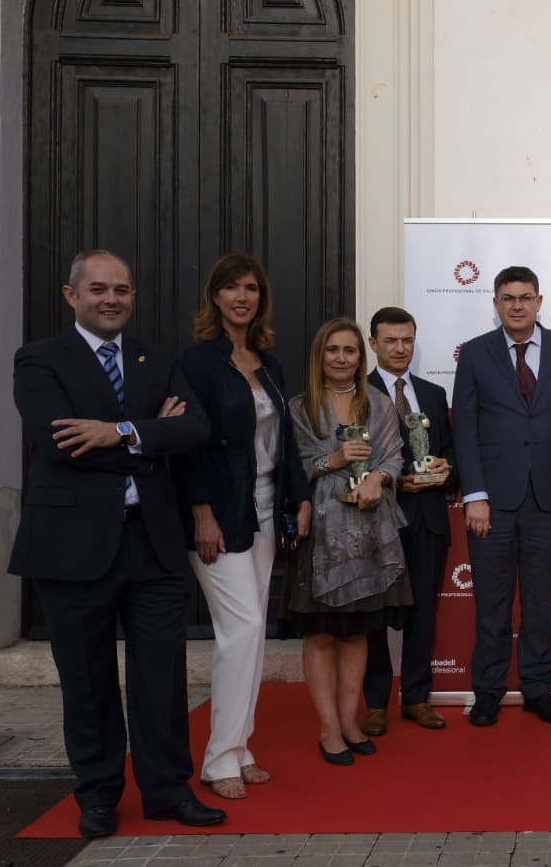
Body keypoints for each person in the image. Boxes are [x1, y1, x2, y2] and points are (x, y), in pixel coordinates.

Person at [9, 249, 224, 838]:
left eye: (122, 289)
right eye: (99, 288)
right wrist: (151, 433)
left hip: (152, 543)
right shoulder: (39, 359)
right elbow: (59, 442)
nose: (112, 299)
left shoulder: (156, 357)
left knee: (163, 675)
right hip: (71, 546)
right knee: (88, 678)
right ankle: (99, 795)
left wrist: (119, 429)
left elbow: (195, 429)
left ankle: (167, 790)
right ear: (70, 294)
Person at [176, 252, 312, 800]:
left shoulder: (269, 363)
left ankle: (240, 748)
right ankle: (217, 760)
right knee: (242, 632)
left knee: (252, 634)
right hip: (221, 513)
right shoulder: (196, 363)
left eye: (251, 288)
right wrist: (200, 513)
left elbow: (287, 443)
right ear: (214, 296)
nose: (242, 297)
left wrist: (298, 499)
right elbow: (187, 446)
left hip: (264, 510)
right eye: (231, 287)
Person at [452, 266, 551, 727]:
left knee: (542, 603)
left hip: (549, 500)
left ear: (539, 301)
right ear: (496, 303)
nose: (517, 305)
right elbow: (464, 427)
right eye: (508, 298)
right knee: (492, 603)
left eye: (525, 297)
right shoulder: (475, 353)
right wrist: (476, 495)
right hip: (494, 502)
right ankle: (487, 690)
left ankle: (537, 688)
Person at [285, 318, 412, 766]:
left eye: (350, 351)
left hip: (371, 532)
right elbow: (291, 468)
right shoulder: (299, 407)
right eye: (333, 350)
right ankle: (327, 728)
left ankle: (350, 720)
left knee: (359, 632)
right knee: (320, 634)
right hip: (320, 533)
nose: (341, 358)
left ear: (362, 356)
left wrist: (379, 476)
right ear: (320, 356)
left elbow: (395, 456)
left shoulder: (379, 404)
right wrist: (332, 459)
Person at [360, 307, 456, 735]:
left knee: (424, 615)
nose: (400, 348)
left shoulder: (434, 393)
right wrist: (396, 481)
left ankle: (416, 697)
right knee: (376, 614)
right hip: (378, 520)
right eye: (391, 341)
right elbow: (354, 465)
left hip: (429, 519)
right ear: (373, 343)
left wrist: (445, 468)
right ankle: (376, 703)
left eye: (407, 340)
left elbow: (452, 451)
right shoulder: (357, 395)